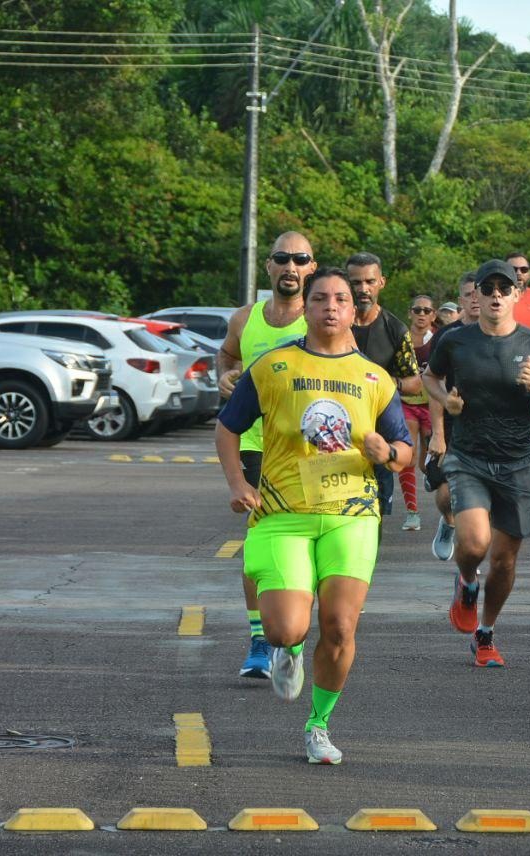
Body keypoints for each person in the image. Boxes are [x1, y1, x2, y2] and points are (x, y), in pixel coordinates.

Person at [214, 266, 413, 765]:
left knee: (342, 627)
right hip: (284, 513)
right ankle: (289, 649)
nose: (330, 306)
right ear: (306, 306)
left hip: (353, 514)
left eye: (340, 299)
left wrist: (384, 451)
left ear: (353, 310)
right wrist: (238, 483)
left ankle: (318, 726)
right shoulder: (273, 366)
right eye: (319, 297)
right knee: (285, 628)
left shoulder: (374, 377)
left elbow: (406, 451)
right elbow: (228, 427)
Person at [423, 259, 530, 667]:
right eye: (488, 289)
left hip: (517, 463)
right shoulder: (456, 342)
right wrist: (445, 400)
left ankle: (485, 634)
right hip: (469, 458)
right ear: (477, 295)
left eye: (505, 289)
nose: (496, 296)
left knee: (504, 561)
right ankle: (467, 583)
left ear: (517, 295)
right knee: (473, 543)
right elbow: (430, 377)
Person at [216, 231, 315, 680]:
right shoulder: (244, 319)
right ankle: (260, 638)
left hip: (309, 448)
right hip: (256, 443)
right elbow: (226, 356)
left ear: (311, 268)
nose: (291, 266)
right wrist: (225, 375)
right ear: (269, 266)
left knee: (306, 545)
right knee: (259, 546)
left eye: (300, 259)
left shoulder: (320, 320)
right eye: (282, 258)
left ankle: (291, 631)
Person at [346, 252, 422, 524]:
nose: (362, 289)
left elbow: (415, 382)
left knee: (373, 515)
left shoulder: (395, 329)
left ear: (381, 282)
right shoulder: (333, 324)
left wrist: (390, 383)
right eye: (355, 282)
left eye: (369, 281)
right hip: (336, 434)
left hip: (377, 435)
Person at [425, 272, 479, 561]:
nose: (475, 299)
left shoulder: (500, 333)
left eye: (478, 292)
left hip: (484, 427)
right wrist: (438, 433)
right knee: (446, 495)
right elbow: (434, 384)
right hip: (450, 423)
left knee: (480, 496)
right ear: (461, 301)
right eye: (468, 294)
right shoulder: (447, 336)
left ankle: (472, 551)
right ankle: (448, 523)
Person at [397, 294, 436, 531]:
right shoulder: (401, 338)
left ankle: (435, 481)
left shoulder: (439, 339)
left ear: (433, 315)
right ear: (410, 313)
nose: (421, 314)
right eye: (417, 310)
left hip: (432, 404)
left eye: (426, 311)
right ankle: (412, 512)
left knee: (428, 461)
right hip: (406, 402)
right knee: (408, 457)